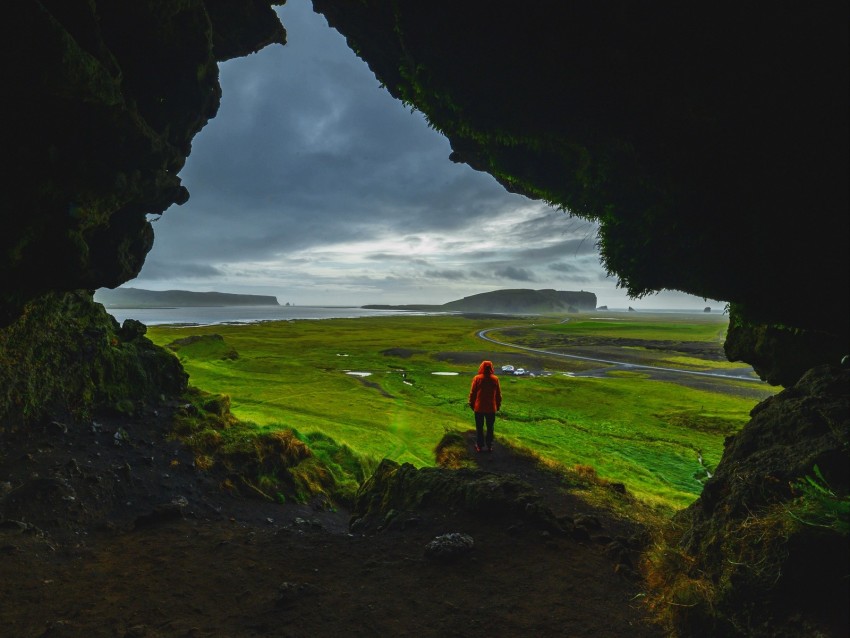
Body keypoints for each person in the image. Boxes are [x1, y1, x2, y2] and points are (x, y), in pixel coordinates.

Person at [468, 360, 502, 452]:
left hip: (479, 408)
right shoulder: (495, 379)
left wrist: (471, 404)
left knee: (479, 427)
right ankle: (489, 445)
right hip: (491, 408)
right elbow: (498, 394)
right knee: (490, 427)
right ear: (491, 368)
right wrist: (498, 405)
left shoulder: (477, 378)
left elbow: (472, 393)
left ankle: (479, 446)